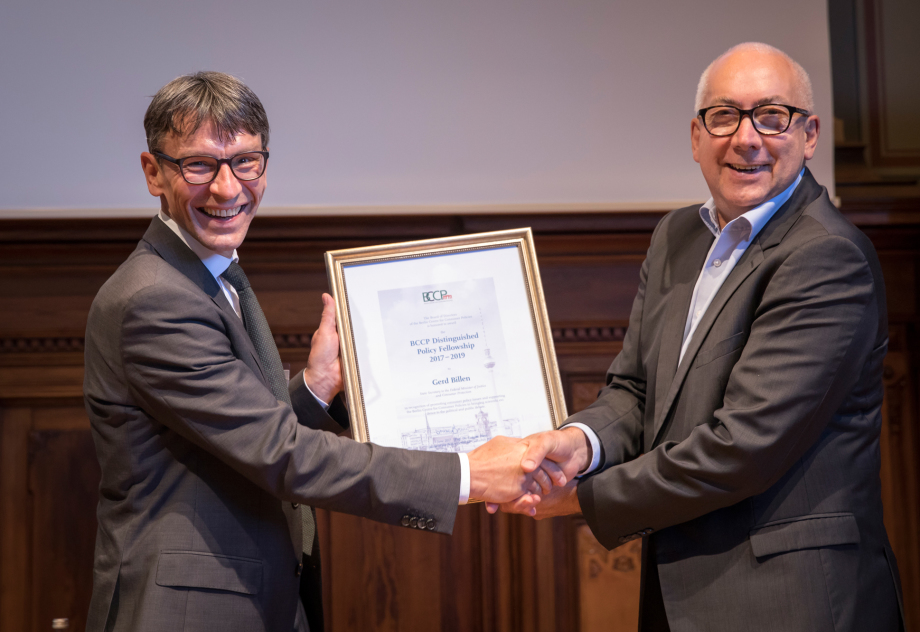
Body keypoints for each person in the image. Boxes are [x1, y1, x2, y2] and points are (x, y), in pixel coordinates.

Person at [83, 72, 560, 632]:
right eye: (199, 165)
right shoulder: (156, 299)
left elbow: (232, 435)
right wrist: (470, 474)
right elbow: (281, 453)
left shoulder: (206, 275)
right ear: (152, 172)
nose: (226, 188)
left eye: (245, 161)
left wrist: (315, 387)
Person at [499, 43, 905, 631]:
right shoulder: (676, 236)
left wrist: (582, 498)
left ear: (810, 134)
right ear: (696, 137)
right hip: (684, 594)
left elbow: (744, 445)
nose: (746, 138)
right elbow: (636, 391)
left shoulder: (826, 256)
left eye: (772, 115)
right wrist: (579, 444)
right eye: (724, 116)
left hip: (793, 604)